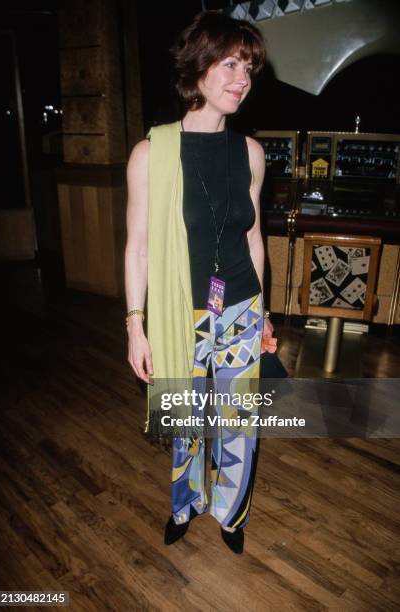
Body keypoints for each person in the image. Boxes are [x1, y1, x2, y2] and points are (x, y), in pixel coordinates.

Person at [124, 10, 273, 555]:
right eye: (231, 63)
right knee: (186, 420)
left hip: (239, 307)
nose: (243, 79)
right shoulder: (151, 153)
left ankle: (232, 515)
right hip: (177, 309)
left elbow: (254, 239)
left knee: (237, 424)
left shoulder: (251, 154)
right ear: (198, 66)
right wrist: (136, 327)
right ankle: (185, 504)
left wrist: (265, 311)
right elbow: (137, 246)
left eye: (249, 68)